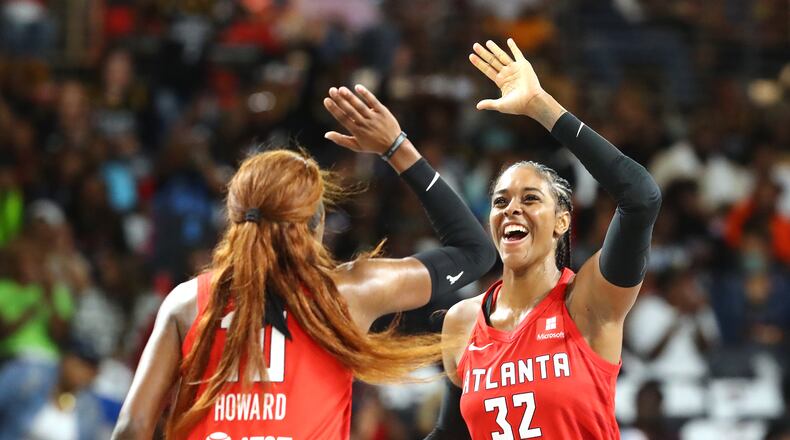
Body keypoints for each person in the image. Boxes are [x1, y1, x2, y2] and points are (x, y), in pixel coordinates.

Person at [111, 85, 497, 439]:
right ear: (317, 224)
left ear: (234, 219)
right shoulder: (348, 294)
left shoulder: (188, 303)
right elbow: (476, 251)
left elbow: (133, 427)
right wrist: (396, 147)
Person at [426, 39, 662, 439]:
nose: (511, 209)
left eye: (530, 198)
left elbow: (641, 198)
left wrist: (540, 106)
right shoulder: (463, 322)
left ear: (562, 222)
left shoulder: (587, 302)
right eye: (501, 201)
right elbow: (450, 434)